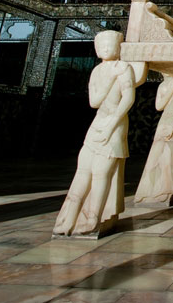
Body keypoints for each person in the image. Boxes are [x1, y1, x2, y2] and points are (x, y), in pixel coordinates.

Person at [53, 31, 139, 235]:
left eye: (110, 44)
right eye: (102, 45)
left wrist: (112, 125)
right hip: (98, 121)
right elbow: (94, 102)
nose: (106, 48)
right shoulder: (97, 71)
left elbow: (128, 99)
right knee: (82, 173)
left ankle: (93, 217)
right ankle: (69, 218)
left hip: (115, 123)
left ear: (118, 47)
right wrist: (110, 79)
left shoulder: (125, 68)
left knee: (102, 173)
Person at [135, 76, 173, 204]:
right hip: (164, 120)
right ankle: (151, 190)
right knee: (154, 157)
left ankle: (168, 190)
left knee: (170, 158)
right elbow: (159, 106)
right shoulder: (163, 85)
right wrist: (169, 91)